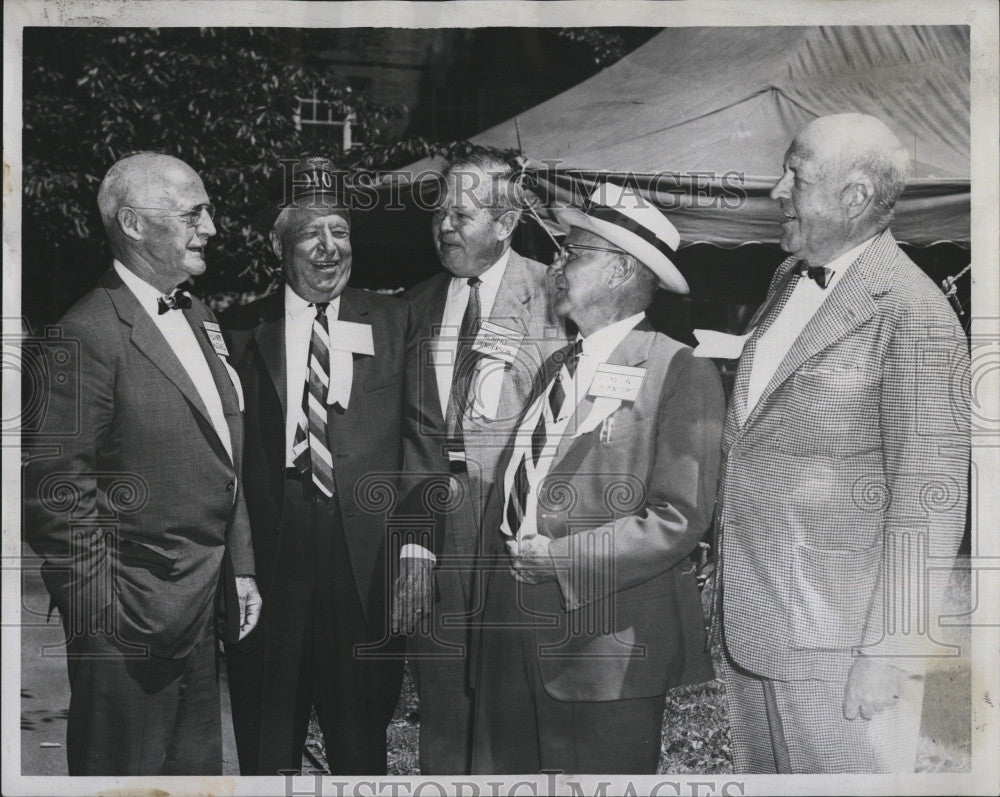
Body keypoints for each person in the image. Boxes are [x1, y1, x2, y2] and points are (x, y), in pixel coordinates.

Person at [713, 113, 971, 773]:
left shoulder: (913, 315)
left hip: (841, 646)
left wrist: (889, 651)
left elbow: (930, 500)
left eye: (794, 178)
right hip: (755, 624)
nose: (774, 191)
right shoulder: (785, 280)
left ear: (853, 198)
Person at [470, 183, 725, 774]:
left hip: (604, 653)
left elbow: (678, 518)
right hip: (512, 634)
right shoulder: (559, 365)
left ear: (618, 271)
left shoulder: (677, 369)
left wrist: (558, 560)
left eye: (573, 252)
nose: (556, 266)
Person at [22, 152, 260, 775]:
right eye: (193, 213)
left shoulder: (199, 315)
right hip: (126, 622)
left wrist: (241, 566)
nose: (210, 227)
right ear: (131, 224)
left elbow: (223, 449)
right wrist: (106, 615)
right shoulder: (84, 332)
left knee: (192, 778)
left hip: (200, 607)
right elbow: (55, 493)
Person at [222, 157, 407, 775]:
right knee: (268, 737)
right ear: (280, 245)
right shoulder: (240, 331)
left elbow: (421, 441)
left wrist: (416, 547)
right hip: (274, 557)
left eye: (341, 231)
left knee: (361, 744)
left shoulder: (394, 320)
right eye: (310, 233)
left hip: (364, 563)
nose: (330, 248)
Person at [391, 151, 568, 774]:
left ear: (506, 221)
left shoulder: (556, 296)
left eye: (460, 213)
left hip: (513, 522)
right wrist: (413, 542)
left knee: (510, 706)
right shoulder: (414, 305)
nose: (444, 226)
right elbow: (410, 438)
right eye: (438, 212)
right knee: (442, 698)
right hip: (436, 526)